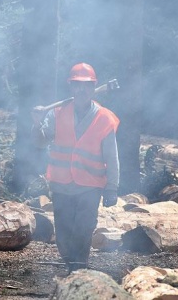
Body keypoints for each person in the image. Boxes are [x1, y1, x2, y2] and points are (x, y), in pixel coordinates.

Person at [30, 62, 120, 274]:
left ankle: (79, 269)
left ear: (93, 87)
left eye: (87, 85)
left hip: (90, 186)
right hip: (61, 185)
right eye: (77, 85)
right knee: (63, 234)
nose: (82, 90)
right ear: (70, 87)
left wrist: (112, 188)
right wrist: (36, 123)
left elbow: (112, 157)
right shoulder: (57, 113)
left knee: (84, 228)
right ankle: (72, 265)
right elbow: (40, 142)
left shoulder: (105, 118)